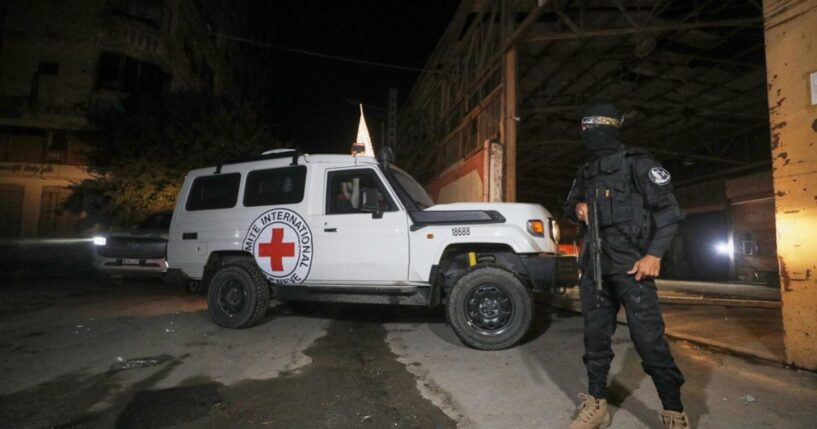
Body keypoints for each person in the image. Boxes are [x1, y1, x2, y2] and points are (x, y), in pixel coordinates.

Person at [563, 104, 690, 429]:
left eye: (592, 128)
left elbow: (669, 213)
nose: (588, 135)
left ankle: (674, 412)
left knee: (649, 342)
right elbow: (567, 205)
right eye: (584, 129)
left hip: (633, 267)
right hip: (595, 268)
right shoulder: (586, 170)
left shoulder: (638, 165)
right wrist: (577, 210)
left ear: (609, 129)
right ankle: (597, 405)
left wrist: (654, 255)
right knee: (594, 339)